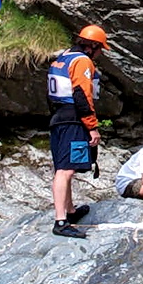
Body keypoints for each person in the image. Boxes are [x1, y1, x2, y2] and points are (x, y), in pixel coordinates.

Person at [47, 24, 108, 239]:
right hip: (73, 119)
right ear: (92, 46)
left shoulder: (63, 57)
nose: (100, 53)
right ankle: (61, 220)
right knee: (65, 170)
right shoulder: (82, 61)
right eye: (100, 48)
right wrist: (92, 127)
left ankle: (71, 211)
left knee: (66, 167)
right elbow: (82, 95)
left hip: (59, 116)